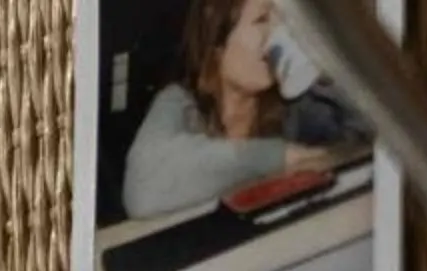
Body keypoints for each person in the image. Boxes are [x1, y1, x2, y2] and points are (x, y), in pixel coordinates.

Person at [120, 0, 363, 220]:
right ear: (218, 45)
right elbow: (144, 190)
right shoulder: (179, 104)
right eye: (262, 20)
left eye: (281, 21)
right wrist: (276, 157)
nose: (275, 33)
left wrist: (320, 73)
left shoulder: (297, 108)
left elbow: (371, 137)